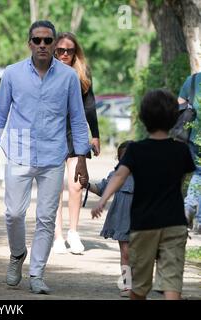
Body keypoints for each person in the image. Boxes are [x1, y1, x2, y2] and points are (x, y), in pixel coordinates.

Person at [0, 20, 90, 294]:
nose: (42, 45)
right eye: (37, 40)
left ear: (53, 44)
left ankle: (37, 273)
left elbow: (77, 117)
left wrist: (82, 157)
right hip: (18, 153)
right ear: (29, 43)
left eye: (47, 41)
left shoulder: (68, 77)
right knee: (14, 214)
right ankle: (17, 255)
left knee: (47, 219)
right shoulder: (13, 74)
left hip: (53, 155)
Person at [92, 89, 195, 300]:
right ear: (174, 118)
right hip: (174, 223)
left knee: (138, 284)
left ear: (142, 118)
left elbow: (119, 176)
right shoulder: (181, 151)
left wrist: (102, 200)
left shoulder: (136, 150)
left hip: (143, 224)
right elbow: (185, 182)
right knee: (172, 281)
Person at [53, 32, 100, 254]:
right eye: (60, 50)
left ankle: (73, 231)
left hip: (75, 132)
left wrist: (96, 135)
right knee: (54, 187)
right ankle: (58, 235)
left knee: (76, 184)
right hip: (51, 133)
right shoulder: (47, 71)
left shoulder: (81, 72)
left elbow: (90, 105)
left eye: (69, 50)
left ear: (75, 52)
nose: (64, 54)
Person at [87, 141, 134, 297]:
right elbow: (101, 189)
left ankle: (139, 283)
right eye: (123, 158)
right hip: (121, 219)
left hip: (140, 220)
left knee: (140, 254)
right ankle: (128, 285)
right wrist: (86, 184)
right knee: (125, 253)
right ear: (119, 159)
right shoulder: (115, 175)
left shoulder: (146, 174)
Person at [178, 72, 201, 234]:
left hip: (194, 136)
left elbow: (180, 105)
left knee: (199, 173)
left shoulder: (192, 80)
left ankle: (189, 209)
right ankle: (198, 219)